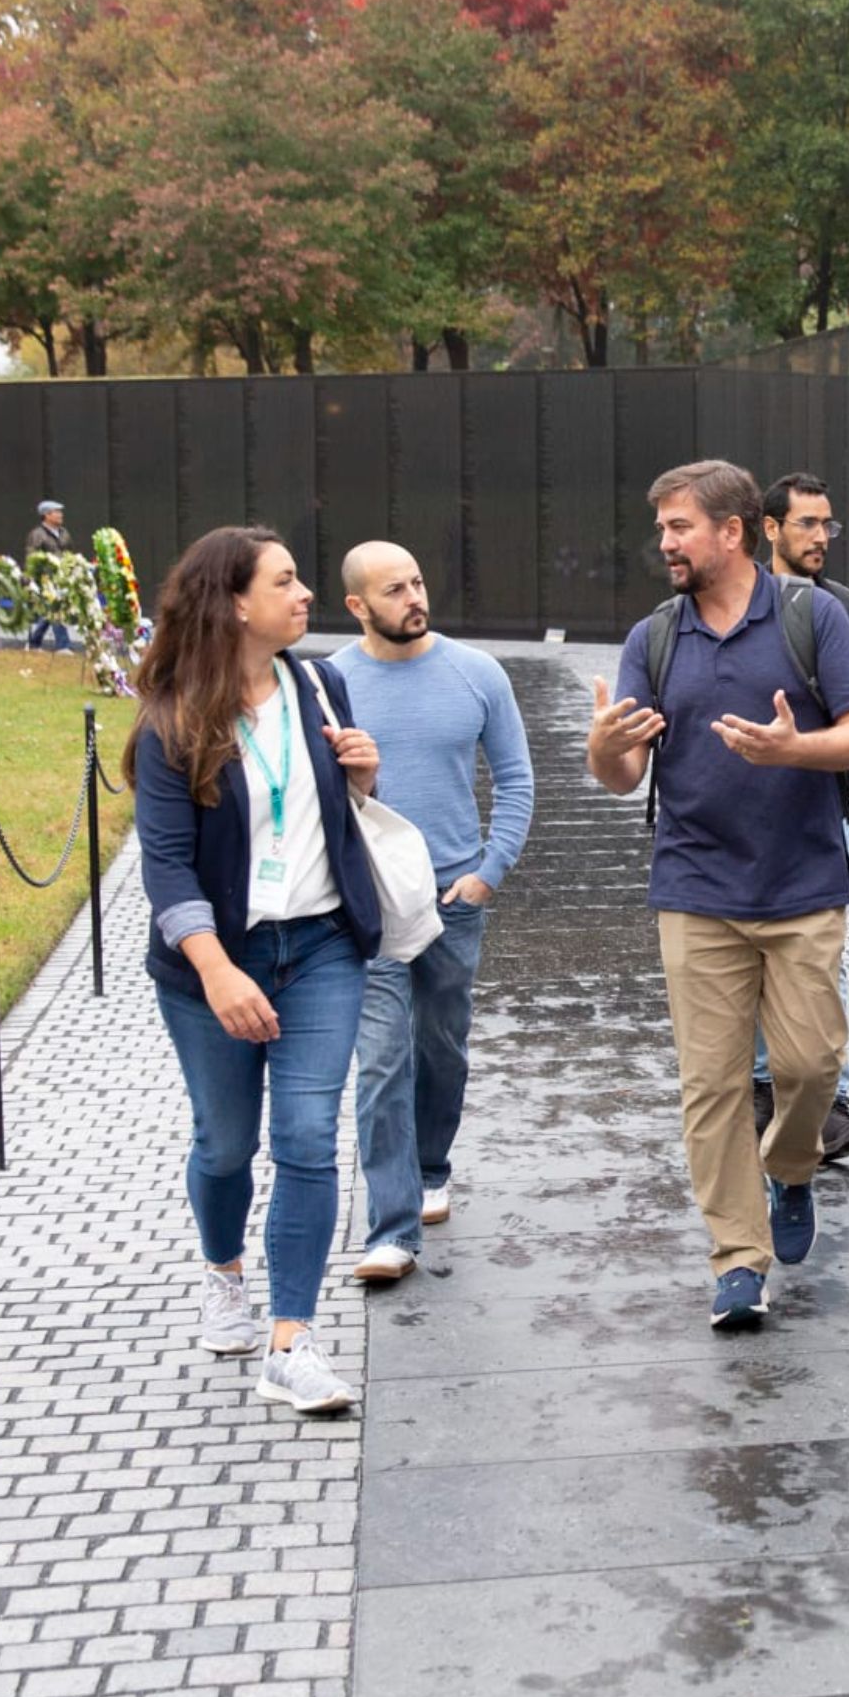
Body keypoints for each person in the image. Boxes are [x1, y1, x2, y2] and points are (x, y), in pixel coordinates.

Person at [586, 461, 849, 1330]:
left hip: (801, 884)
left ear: (734, 530)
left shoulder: (810, 616)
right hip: (694, 886)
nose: (666, 543)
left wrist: (794, 750)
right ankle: (737, 1260)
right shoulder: (654, 637)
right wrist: (604, 746)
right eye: (664, 528)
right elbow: (623, 773)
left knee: (808, 1065)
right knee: (711, 1085)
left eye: (680, 527)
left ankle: (790, 1168)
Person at [126, 525, 382, 1418]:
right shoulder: (172, 718)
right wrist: (217, 971)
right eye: (285, 581)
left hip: (320, 949)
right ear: (236, 602)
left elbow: (333, 807)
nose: (305, 592)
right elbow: (165, 863)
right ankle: (222, 1272)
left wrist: (365, 774)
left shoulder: (320, 682)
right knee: (225, 1144)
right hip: (213, 964)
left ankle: (292, 1343)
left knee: (308, 1139)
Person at [332, 540, 537, 1282]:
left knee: (441, 1047)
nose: (415, 598)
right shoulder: (331, 685)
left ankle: (431, 1165)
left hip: (454, 894)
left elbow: (515, 779)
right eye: (395, 590)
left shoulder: (475, 672)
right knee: (381, 1059)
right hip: (369, 903)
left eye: (418, 582)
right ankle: (391, 1230)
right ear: (358, 606)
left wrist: (489, 872)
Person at [750, 472, 849, 1163]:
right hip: (743, 819)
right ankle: (760, 1091)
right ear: (768, 528)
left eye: (828, 524)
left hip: (825, 811)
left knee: (821, 959)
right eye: (806, 523)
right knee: (749, 958)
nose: (821, 537)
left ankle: (828, 1101)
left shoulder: (844, 607)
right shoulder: (732, 606)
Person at [24, 501, 77, 653]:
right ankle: (63, 645)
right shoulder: (37, 535)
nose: (61, 515)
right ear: (46, 515)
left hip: (62, 577)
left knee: (49, 611)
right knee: (55, 607)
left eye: (60, 512)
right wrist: (32, 578)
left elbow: (70, 554)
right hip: (45, 578)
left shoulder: (64, 533)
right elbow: (31, 557)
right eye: (57, 512)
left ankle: (34, 643)